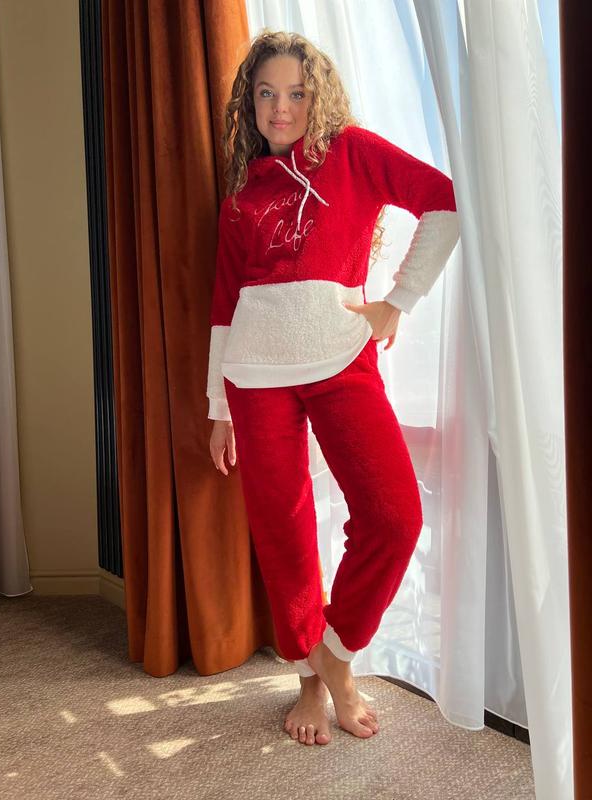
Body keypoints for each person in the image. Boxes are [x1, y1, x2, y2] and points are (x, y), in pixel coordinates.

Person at [206, 29, 460, 747]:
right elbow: (224, 305)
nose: (280, 108)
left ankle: (337, 652)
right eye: (266, 94)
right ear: (249, 104)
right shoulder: (241, 193)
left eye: (295, 93)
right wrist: (219, 407)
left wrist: (397, 302)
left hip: (341, 357)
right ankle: (312, 681)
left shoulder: (352, 151)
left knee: (394, 516)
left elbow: (443, 202)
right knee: (283, 533)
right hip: (253, 374)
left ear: (316, 96)